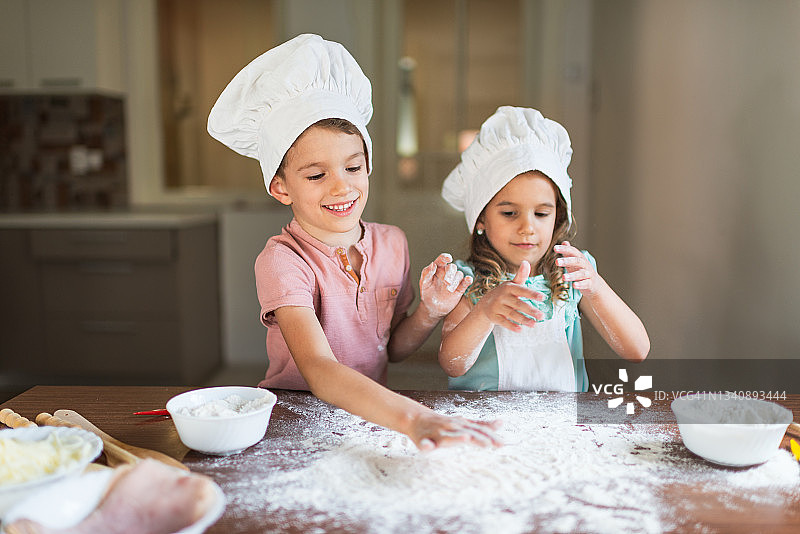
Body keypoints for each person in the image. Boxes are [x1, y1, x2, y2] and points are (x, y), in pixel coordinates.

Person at [207, 34, 500, 450]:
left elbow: (392, 349)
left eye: (352, 166)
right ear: (280, 187)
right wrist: (413, 417)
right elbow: (319, 369)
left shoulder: (392, 244)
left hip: (369, 417)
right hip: (298, 421)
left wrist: (429, 312)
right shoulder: (283, 261)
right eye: (316, 175)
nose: (341, 187)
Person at [439, 106, 650, 392]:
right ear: (480, 220)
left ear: (558, 218)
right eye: (509, 213)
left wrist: (595, 287)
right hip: (486, 426)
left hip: (562, 430)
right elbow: (453, 363)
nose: (528, 227)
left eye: (541, 214)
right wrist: (485, 311)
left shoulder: (571, 273)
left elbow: (636, 350)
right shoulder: (468, 280)